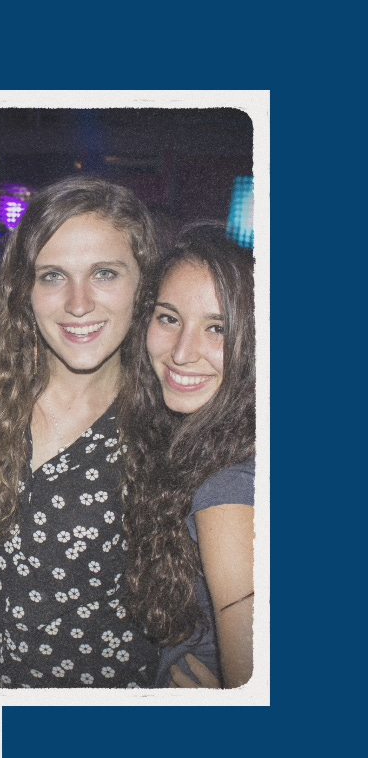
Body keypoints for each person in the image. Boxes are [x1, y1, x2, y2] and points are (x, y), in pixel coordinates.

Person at [0, 177, 161, 688]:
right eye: (53, 276)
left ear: (143, 282)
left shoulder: (170, 419)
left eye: (104, 273)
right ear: (26, 289)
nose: (78, 303)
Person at [120, 223, 255, 688]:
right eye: (169, 318)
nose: (182, 352)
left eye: (216, 328)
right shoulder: (206, 441)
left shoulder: (229, 491)